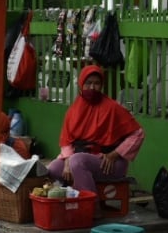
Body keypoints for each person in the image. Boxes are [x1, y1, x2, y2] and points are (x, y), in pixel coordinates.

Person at [45, 63, 144, 193]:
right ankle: (73, 197)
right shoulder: (73, 110)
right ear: (81, 84)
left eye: (97, 83)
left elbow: (138, 133)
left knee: (77, 161)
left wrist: (114, 154)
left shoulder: (112, 107)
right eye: (88, 83)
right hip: (79, 158)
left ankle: (90, 205)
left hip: (108, 163)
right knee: (54, 168)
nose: (92, 87)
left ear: (101, 85)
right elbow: (66, 141)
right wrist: (67, 163)